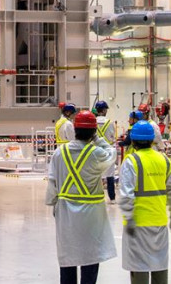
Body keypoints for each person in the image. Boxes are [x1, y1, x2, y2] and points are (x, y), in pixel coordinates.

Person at [47, 110, 116, 284]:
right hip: (92, 214)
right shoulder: (97, 154)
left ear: (75, 129)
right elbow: (111, 153)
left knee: (68, 257)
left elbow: (52, 184)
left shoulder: (59, 153)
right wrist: (98, 139)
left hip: (66, 211)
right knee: (90, 257)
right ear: (93, 132)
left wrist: (53, 203)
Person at [118, 121, 171, 284]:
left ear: (133, 141)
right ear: (152, 139)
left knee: (138, 266)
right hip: (159, 222)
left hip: (137, 224)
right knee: (159, 264)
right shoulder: (164, 160)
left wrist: (129, 218)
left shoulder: (131, 161)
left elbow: (126, 195)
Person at [94, 100, 117, 201]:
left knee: (96, 174)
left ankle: (96, 196)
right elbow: (112, 137)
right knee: (110, 175)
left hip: (96, 150)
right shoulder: (110, 122)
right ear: (103, 110)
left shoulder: (93, 122)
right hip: (108, 151)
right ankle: (112, 198)